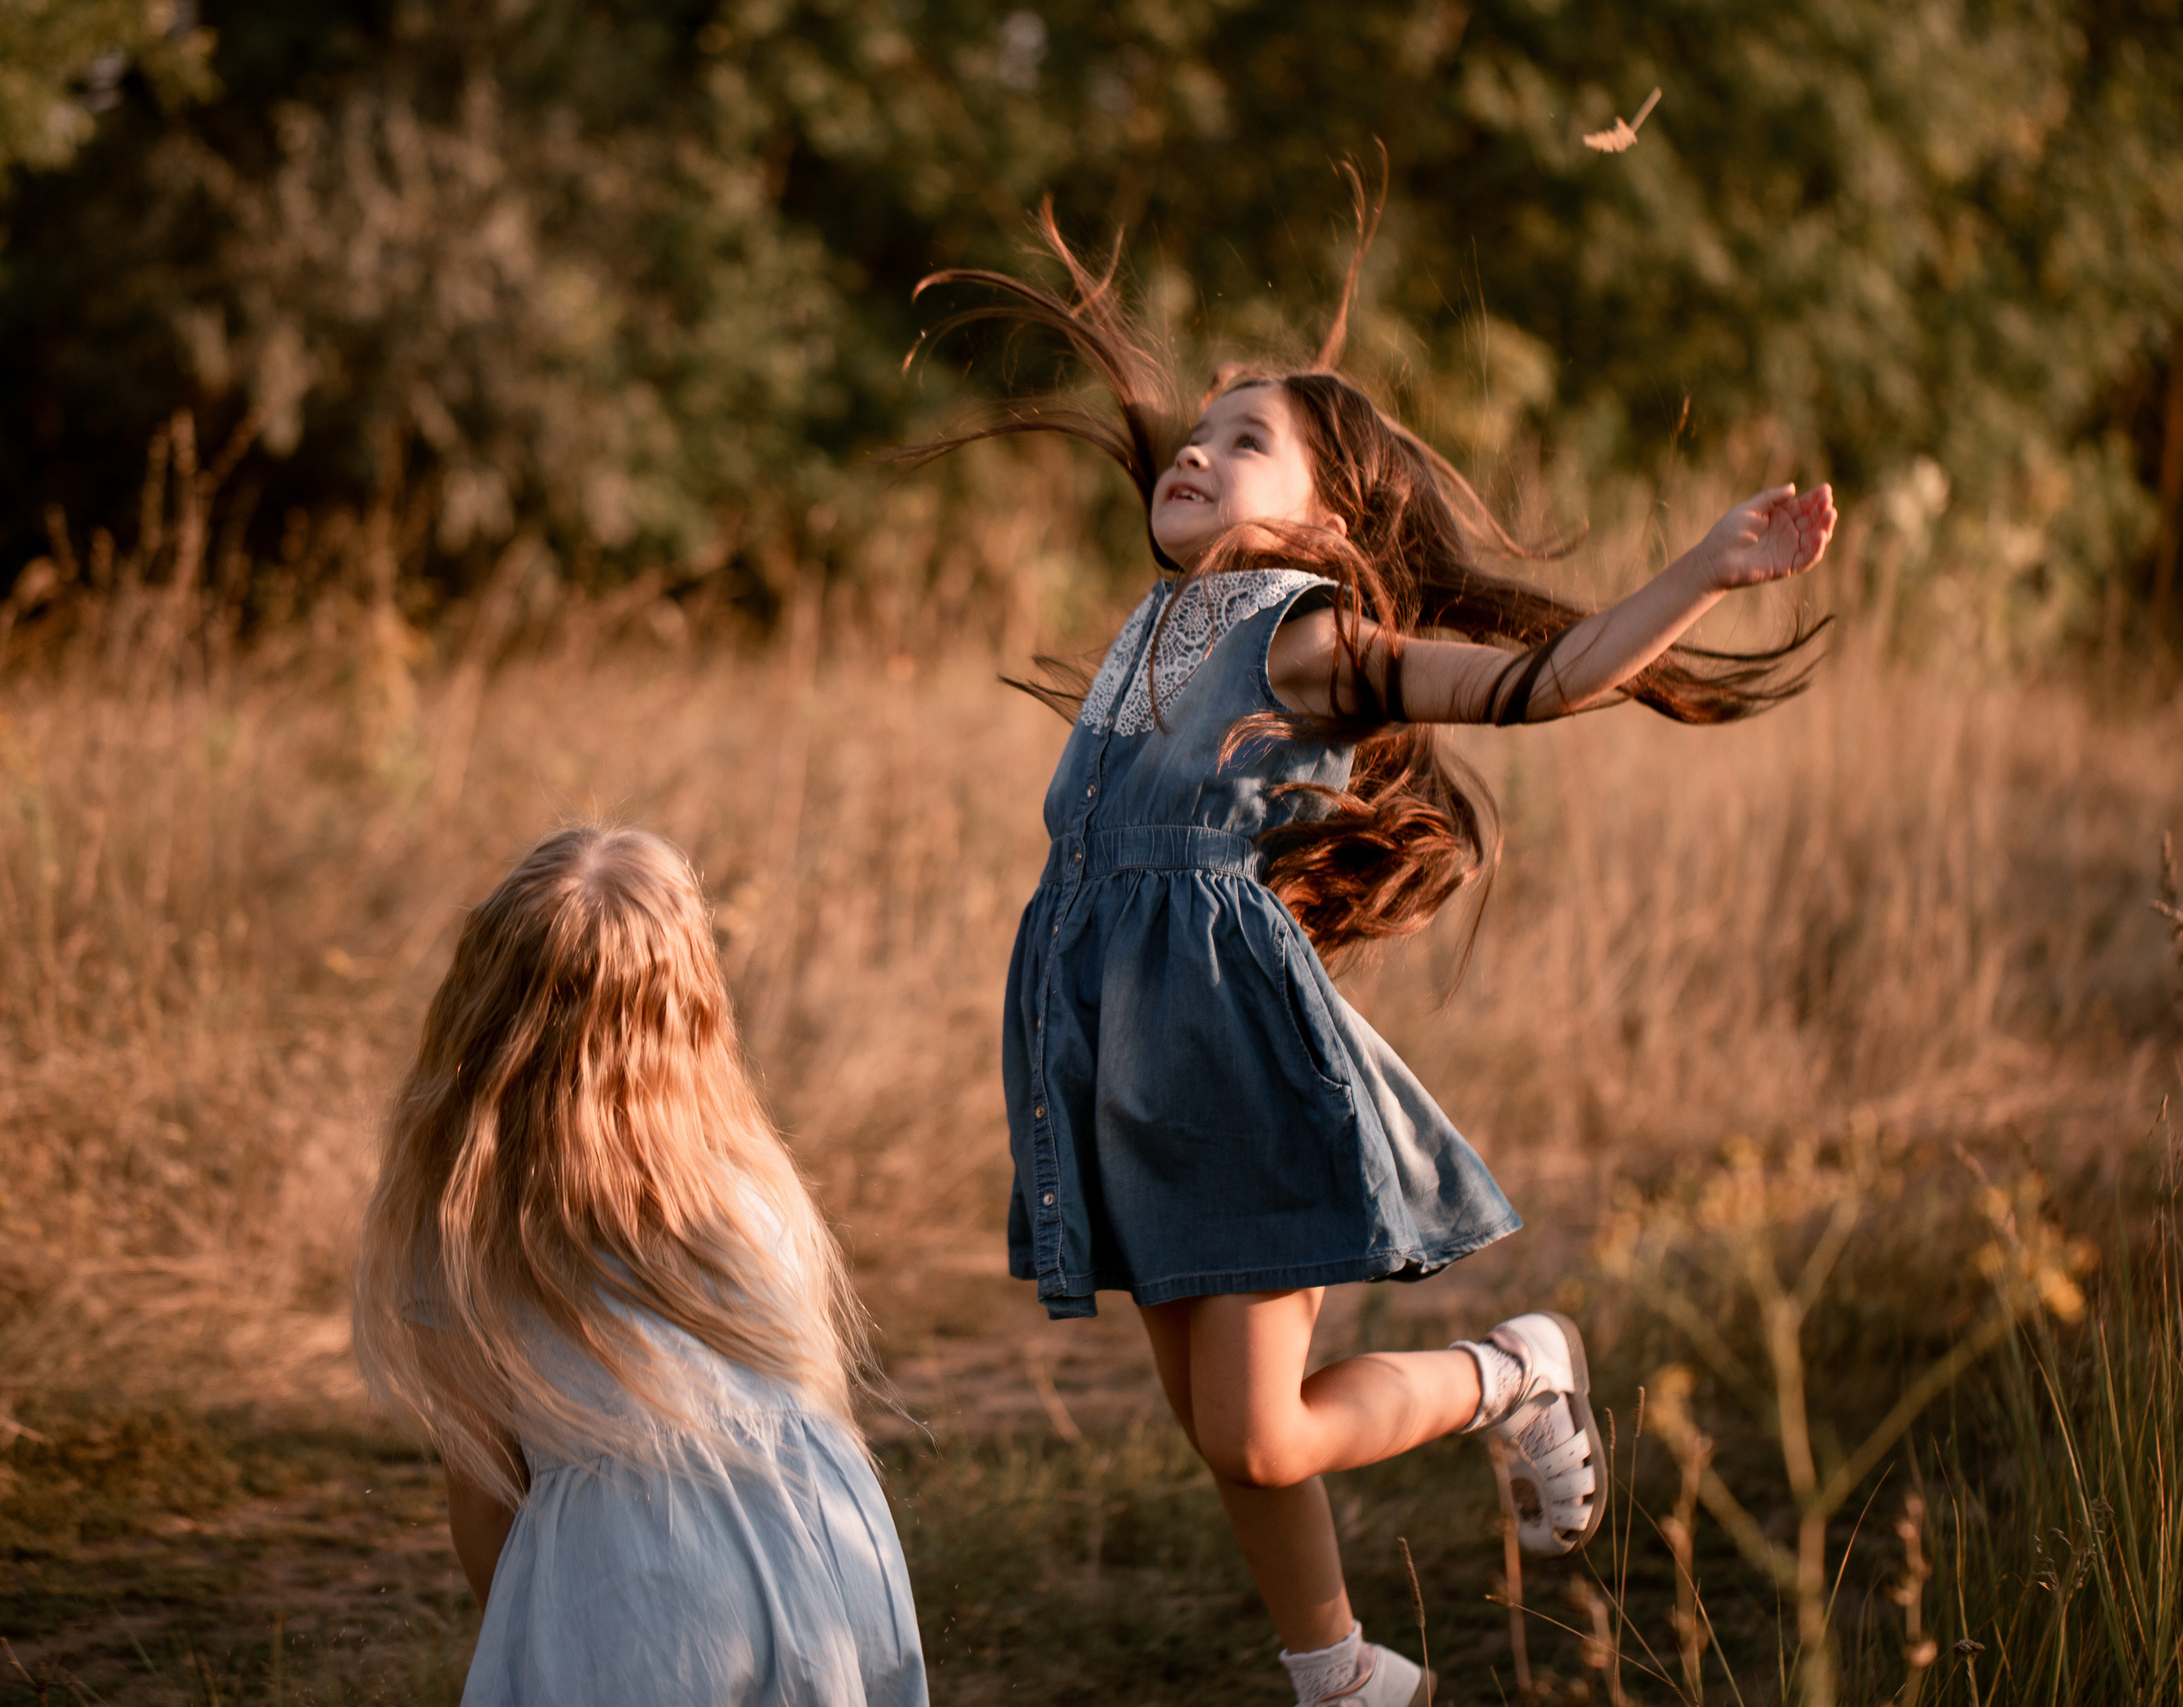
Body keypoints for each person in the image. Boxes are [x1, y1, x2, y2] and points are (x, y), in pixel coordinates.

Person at [912, 206, 1834, 1707]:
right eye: (1198, 432)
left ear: (1331, 525)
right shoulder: (1151, 626)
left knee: (1266, 1432)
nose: (1197, 450)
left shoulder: (1307, 637)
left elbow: (1543, 680)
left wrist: (1703, 573)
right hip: (1111, 1046)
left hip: (1234, 1059)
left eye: (1248, 439)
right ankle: (1337, 1669)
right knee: (1218, 1430)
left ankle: (1513, 1370)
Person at [353, 825, 928, 1707]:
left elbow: (485, 1499)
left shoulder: (470, 1218)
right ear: (695, 1001)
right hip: (833, 1553)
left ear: (482, 1001)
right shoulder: (748, 1180)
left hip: (647, 1593)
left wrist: (532, 1635)